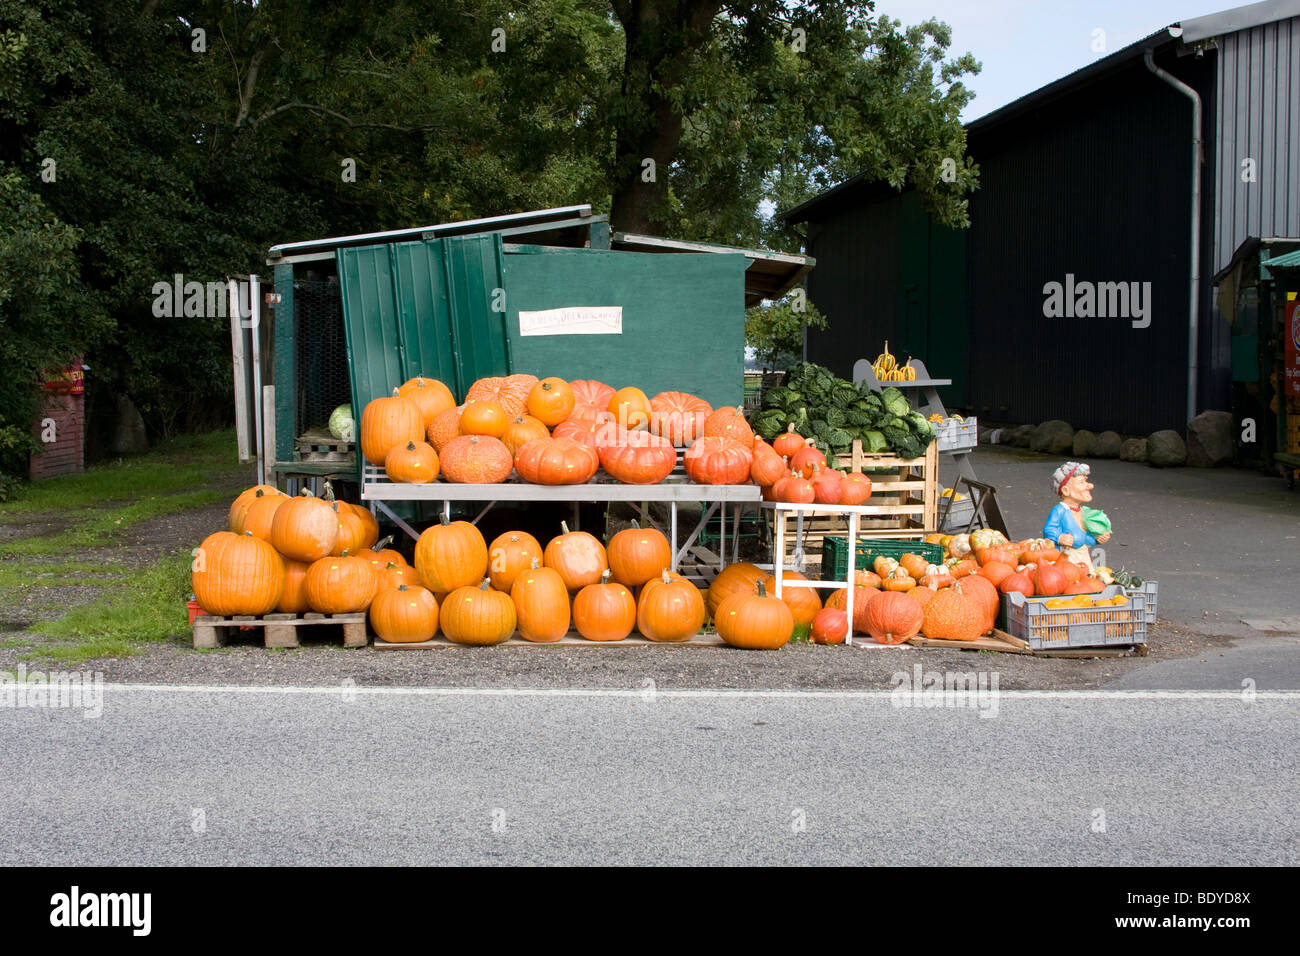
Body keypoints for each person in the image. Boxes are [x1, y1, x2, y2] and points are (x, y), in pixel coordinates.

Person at [1043, 461, 1111, 568]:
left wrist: (1098, 538)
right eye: (1081, 482)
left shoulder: (1083, 512)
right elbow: (1049, 530)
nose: (1090, 486)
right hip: (1066, 560)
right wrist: (1059, 537)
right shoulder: (1060, 510)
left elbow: (1085, 538)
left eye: (1086, 481)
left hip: (1084, 560)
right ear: (1066, 490)